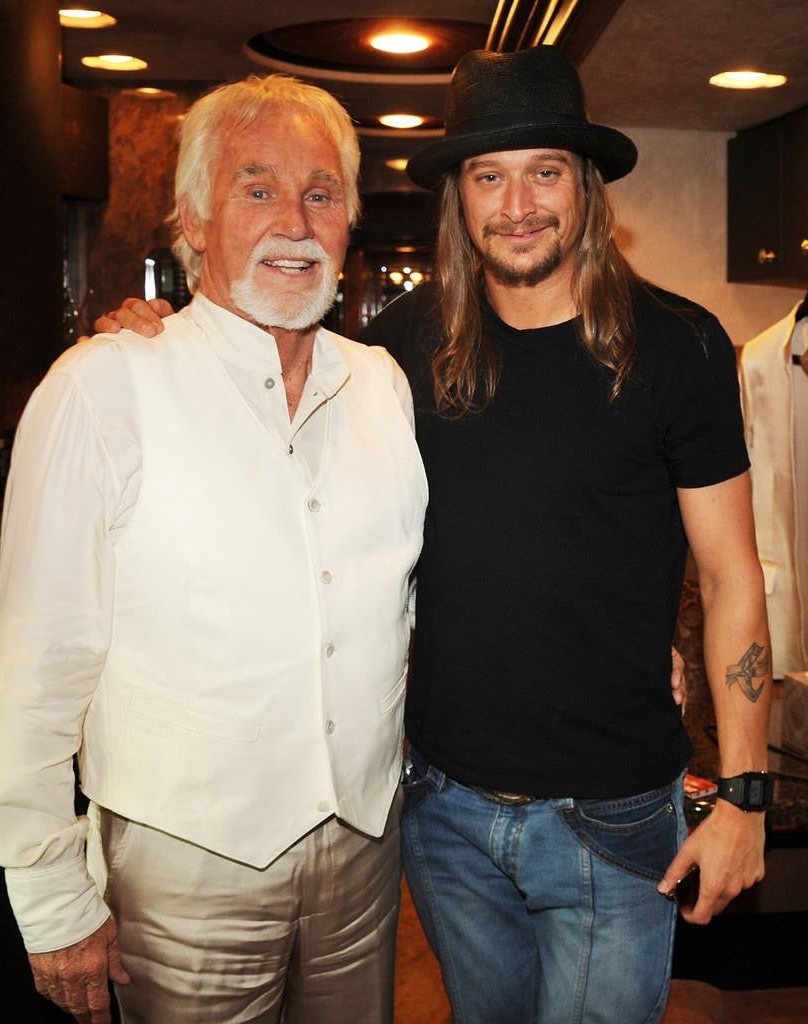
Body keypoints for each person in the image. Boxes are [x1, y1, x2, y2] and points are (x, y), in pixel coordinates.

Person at [96, 48, 763, 1024]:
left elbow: (733, 573)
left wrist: (744, 794)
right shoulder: (392, 353)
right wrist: (157, 338)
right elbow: (273, 429)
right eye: (489, 177)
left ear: (586, 185)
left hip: (614, 814)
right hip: (443, 811)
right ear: (459, 195)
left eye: (544, 172)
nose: (518, 206)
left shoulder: (682, 345)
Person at [0, 74, 427, 1024]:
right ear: (193, 217)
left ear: (349, 220)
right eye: (256, 188)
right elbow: (37, 662)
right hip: (180, 870)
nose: (294, 222)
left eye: (321, 192)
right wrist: (48, 890)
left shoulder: (385, 385)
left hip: (364, 850)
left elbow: (406, 601)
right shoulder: (103, 388)